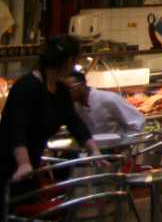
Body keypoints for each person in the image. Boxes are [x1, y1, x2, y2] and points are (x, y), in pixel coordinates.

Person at [0, 36, 98, 218]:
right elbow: (16, 129)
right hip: (9, 165)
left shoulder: (60, 90)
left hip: (31, 167)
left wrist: (93, 149)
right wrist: (23, 163)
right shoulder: (26, 87)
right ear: (68, 61)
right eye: (76, 60)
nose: (76, 65)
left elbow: (74, 121)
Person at [69, 72, 145, 136]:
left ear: (82, 85)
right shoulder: (75, 106)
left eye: (69, 88)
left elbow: (137, 122)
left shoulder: (108, 98)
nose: (65, 93)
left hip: (118, 148)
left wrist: (125, 143)